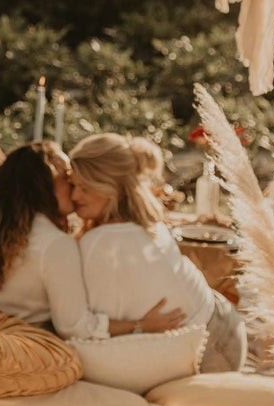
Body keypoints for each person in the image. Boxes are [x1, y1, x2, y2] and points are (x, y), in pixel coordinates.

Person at [0, 142, 183, 339]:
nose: (74, 184)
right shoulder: (54, 243)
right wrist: (141, 325)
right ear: (43, 184)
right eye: (66, 177)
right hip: (21, 352)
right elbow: (74, 327)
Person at [67, 133, 246, 370]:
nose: (74, 196)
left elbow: (83, 326)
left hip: (210, 345)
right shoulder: (140, 222)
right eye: (73, 185)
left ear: (111, 187)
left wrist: (137, 326)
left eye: (85, 188)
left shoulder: (103, 241)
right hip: (222, 324)